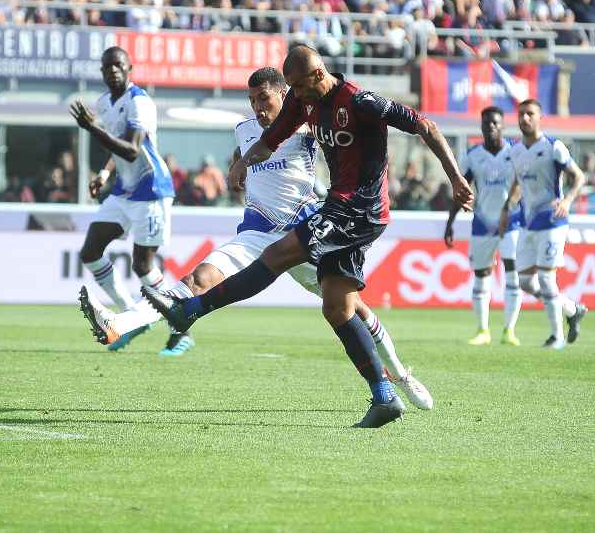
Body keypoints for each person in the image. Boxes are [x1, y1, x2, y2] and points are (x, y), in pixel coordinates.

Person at [143, 46, 473, 428]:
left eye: (299, 87)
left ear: (318, 75)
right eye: (292, 90)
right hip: (340, 206)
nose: (295, 97)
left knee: (278, 254)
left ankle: (190, 311)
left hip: (360, 208)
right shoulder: (304, 105)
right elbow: (270, 141)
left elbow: (425, 125)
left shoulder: (360, 101)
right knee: (338, 308)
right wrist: (240, 164)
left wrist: (456, 178)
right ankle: (385, 397)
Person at [78, 66, 433, 411]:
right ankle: (118, 325)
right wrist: (238, 165)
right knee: (196, 280)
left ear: (285, 94)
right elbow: (248, 151)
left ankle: (400, 375)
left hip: (304, 233)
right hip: (257, 232)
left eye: (264, 99)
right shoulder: (244, 130)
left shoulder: (309, 125)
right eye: (252, 101)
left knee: (352, 310)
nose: (258, 109)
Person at [70, 46, 192, 355]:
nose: (113, 70)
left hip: (151, 189)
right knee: (90, 250)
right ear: (102, 72)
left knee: (142, 265)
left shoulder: (140, 103)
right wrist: (103, 174)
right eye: (108, 66)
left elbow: (132, 150)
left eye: (118, 65)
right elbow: (116, 151)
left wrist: (92, 128)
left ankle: (182, 329)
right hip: (123, 189)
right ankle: (132, 317)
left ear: (129, 69)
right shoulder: (104, 103)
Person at [499, 99, 587, 350]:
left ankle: (556, 337)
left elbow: (578, 176)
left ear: (539, 118)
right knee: (526, 282)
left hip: (553, 220)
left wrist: (568, 200)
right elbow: (517, 182)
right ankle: (572, 310)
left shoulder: (553, 147)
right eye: (521, 114)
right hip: (528, 222)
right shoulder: (515, 150)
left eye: (530, 114)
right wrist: (506, 209)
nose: (525, 118)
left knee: (547, 278)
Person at [445, 106, 523, 347]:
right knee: (481, 275)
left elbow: (522, 183)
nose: (491, 126)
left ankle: (509, 331)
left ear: (503, 126)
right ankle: (483, 330)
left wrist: (509, 206)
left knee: (512, 272)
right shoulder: (473, 155)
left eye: (495, 123)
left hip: (512, 222)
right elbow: (461, 191)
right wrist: (450, 222)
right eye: (486, 122)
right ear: (481, 126)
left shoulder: (516, 152)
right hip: (482, 223)